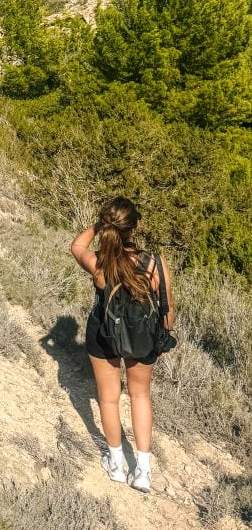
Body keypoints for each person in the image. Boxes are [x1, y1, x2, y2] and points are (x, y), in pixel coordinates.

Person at [70, 197, 175, 494]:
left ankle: (115, 463)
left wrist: (98, 225)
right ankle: (142, 470)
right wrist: (162, 336)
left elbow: (77, 246)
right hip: (143, 340)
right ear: (135, 228)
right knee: (140, 396)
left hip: (103, 336)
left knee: (109, 398)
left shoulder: (100, 264)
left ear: (108, 227)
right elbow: (167, 309)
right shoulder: (153, 263)